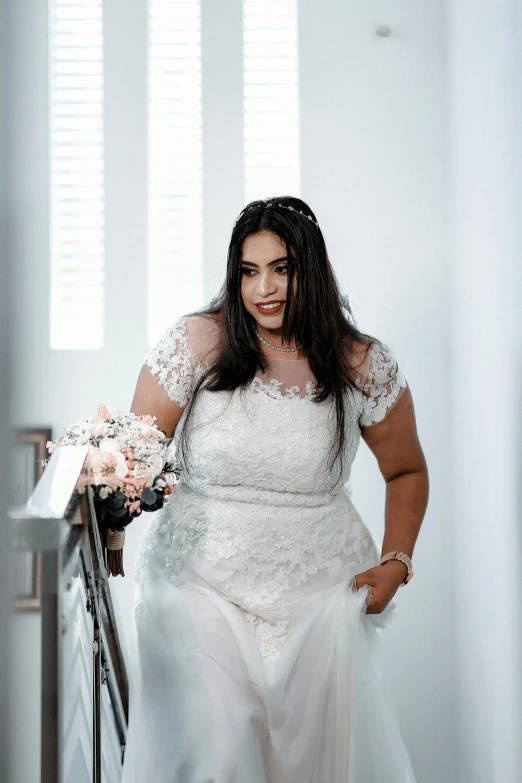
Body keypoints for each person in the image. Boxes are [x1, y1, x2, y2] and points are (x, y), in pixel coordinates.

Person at [122, 196, 429, 783]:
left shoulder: (360, 363)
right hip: (199, 581)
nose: (264, 287)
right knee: (221, 742)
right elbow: (135, 452)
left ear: (310, 270)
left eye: (281, 268)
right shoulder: (199, 343)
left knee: (305, 762)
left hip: (317, 593)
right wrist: (105, 498)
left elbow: (407, 471)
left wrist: (397, 560)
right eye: (248, 270)